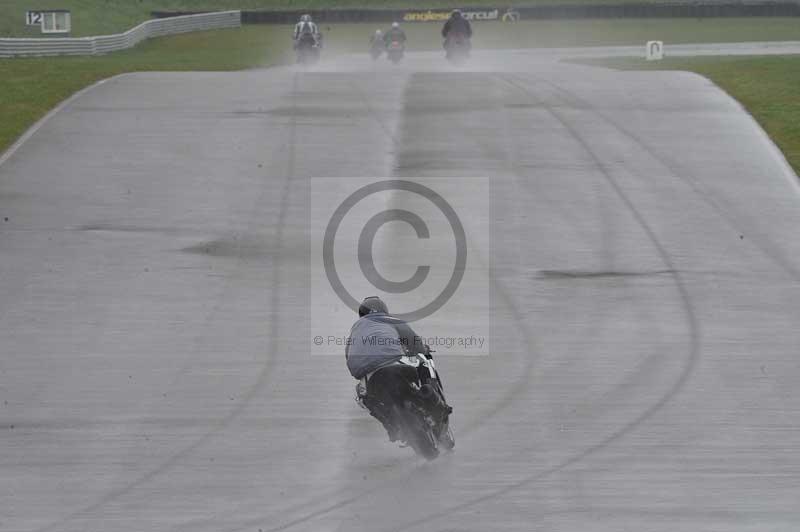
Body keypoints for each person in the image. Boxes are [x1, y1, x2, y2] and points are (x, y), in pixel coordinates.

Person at [345, 296, 429, 441]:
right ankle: (430, 398)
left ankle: (391, 426)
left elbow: (348, 355)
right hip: (394, 364)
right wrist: (422, 351)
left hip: (368, 375)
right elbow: (414, 342)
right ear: (384, 310)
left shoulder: (355, 329)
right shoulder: (389, 320)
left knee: (364, 398)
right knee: (423, 363)